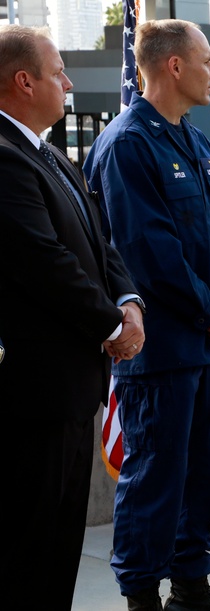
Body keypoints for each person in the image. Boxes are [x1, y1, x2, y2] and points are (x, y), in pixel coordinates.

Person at [84, 19, 210, 610]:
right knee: (155, 479)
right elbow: (148, 253)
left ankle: (190, 585)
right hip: (159, 352)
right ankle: (141, 597)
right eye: (207, 61)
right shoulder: (128, 143)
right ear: (174, 66)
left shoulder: (197, 141)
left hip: (207, 344)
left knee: (209, 471)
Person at [0, 25, 144, 610]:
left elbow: (99, 243)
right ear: (24, 80)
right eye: (59, 71)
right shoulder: (5, 159)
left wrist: (129, 302)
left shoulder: (49, 153)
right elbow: (43, 261)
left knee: (60, 546)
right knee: (27, 549)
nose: (69, 83)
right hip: (31, 395)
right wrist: (112, 327)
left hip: (72, 389)